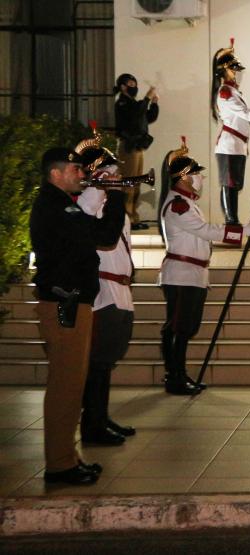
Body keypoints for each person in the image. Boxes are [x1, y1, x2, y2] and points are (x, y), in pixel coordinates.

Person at [30, 147, 126, 485]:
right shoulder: (55, 206)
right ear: (56, 174)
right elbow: (104, 236)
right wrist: (115, 197)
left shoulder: (61, 205)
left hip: (73, 304)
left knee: (72, 385)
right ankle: (59, 465)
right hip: (64, 305)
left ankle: (68, 458)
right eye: (74, 168)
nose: (80, 173)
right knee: (65, 386)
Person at [158, 138, 250, 395]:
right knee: (178, 328)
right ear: (182, 178)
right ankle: (174, 377)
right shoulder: (178, 205)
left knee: (186, 328)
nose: (200, 178)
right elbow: (205, 231)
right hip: (181, 275)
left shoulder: (188, 203)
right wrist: (241, 231)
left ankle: (179, 374)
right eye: (195, 174)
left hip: (193, 274)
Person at [74, 136, 137, 445]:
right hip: (103, 288)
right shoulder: (89, 198)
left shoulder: (108, 199)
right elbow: (100, 231)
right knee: (97, 359)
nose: (116, 176)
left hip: (119, 286)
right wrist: (102, 188)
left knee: (107, 359)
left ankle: (101, 416)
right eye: (109, 170)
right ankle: (92, 424)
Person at [212, 40, 250, 225]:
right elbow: (245, 113)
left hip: (238, 145)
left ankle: (233, 219)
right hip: (229, 145)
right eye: (233, 69)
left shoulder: (234, 91)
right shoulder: (225, 92)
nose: (237, 73)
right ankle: (231, 220)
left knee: (236, 184)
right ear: (224, 70)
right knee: (229, 184)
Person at [113, 72, 158, 230]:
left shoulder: (133, 103)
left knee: (136, 183)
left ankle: (133, 217)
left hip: (137, 147)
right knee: (128, 183)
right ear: (123, 87)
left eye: (135, 84)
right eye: (131, 84)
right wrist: (146, 98)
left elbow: (148, 117)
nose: (135, 87)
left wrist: (154, 104)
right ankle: (126, 218)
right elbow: (136, 115)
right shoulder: (122, 103)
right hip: (128, 147)